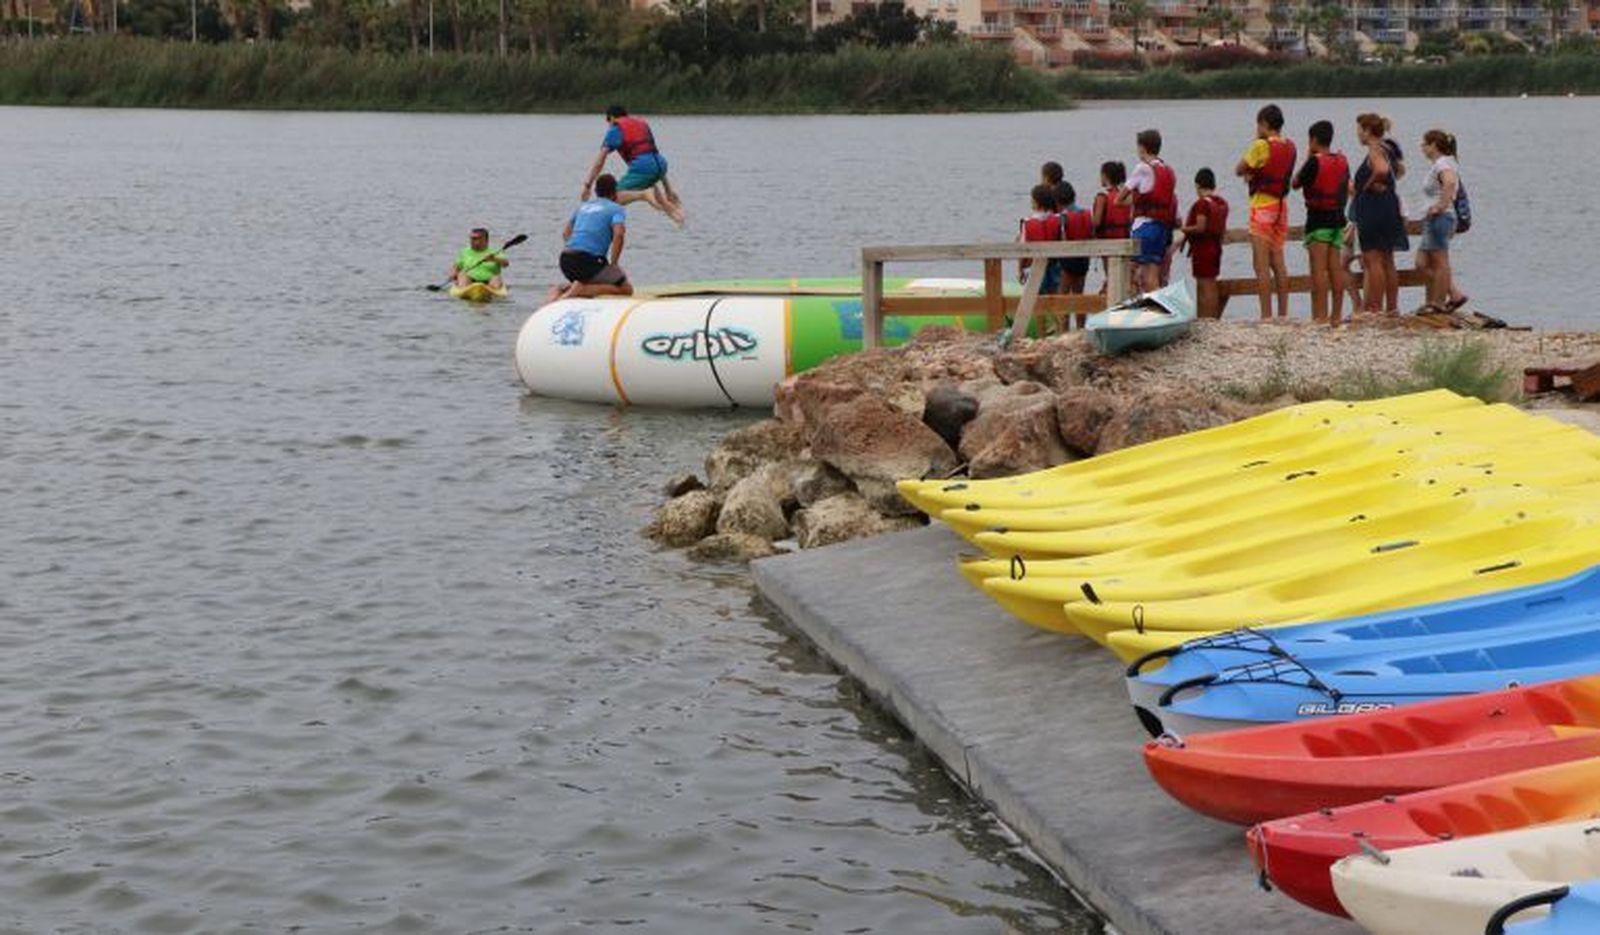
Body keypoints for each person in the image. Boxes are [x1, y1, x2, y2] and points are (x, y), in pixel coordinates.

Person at [1235, 103, 1297, 320]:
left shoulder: (1260, 146)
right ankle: (1283, 314)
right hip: (1281, 207)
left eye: (1257, 124)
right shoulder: (1290, 146)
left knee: (1260, 265)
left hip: (1262, 206)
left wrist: (1255, 143)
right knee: (1278, 262)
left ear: (1263, 124)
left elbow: (1239, 169)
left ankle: (1266, 316)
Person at [580, 104, 685, 225]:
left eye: (608, 121)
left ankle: (642, 195)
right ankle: (681, 218)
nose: (609, 125)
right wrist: (669, 190)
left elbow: (599, 163)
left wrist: (587, 186)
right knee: (664, 204)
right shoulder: (642, 124)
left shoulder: (615, 130)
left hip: (644, 167)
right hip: (660, 164)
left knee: (611, 199)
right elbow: (651, 155)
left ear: (612, 118)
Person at [1292, 119, 1351, 326]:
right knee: (1335, 268)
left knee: (1318, 270)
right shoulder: (1342, 160)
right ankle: (1336, 316)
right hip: (1337, 220)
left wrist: (1308, 156)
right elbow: (1345, 187)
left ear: (1313, 140)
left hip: (1318, 222)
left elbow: (1295, 183)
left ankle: (1320, 316)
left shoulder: (1314, 161)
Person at [1351, 112, 1409, 315]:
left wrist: (1365, 186)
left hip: (1373, 208)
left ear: (1367, 131)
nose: (1358, 134)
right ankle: (1392, 307)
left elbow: (1382, 170)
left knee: (1372, 259)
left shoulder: (1375, 149)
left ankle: (1375, 307)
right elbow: (1400, 170)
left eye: (1359, 130)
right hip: (1389, 206)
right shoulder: (1389, 148)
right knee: (1388, 259)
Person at [550, 174, 633, 302]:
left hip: (566, 260)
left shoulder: (583, 207)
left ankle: (562, 290)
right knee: (626, 289)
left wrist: (578, 247)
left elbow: (566, 233)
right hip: (588, 262)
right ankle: (582, 289)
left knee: (593, 277)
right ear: (615, 192)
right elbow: (619, 234)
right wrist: (614, 263)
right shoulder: (616, 209)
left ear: (596, 192)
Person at [1120, 129, 1179, 293]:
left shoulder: (1142, 168)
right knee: (1153, 275)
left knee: (1138, 275)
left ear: (1143, 148)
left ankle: (1148, 311)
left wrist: (1136, 200)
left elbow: (1120, 199)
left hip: (1144, 227)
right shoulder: (1168, 171)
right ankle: (1157, 309)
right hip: (1162, 229)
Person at [1417, 128, 1467, 312]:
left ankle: (1437, 303)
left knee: (1440, 262)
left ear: (1434, 146)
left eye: (1425, 144)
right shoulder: (1442, 163)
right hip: (1433, 220)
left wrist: (1440, 206)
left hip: (1440, 218)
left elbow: (1450, 183)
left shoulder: (1443, 164)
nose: (1422, 147)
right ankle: (1454, 293)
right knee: (1421, 263)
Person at [1179, 168, 1229, 320]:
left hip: (1203, 249)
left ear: (1198, 185)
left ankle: (1206, 318)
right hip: (1215, 248)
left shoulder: (1202, 204)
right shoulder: (1220, 203)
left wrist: (1182, 229)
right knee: (1210, 283)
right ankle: (1209, 318)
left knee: (1204, 286)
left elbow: (1201, 227)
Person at [1092, 161, 1133, 295]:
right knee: (1122, 275)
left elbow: (1097, 222)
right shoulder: (1126, 195)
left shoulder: (1102, 196)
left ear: (1105, 176)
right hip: (1124, 240)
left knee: (1110, 274)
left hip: (1107, 241)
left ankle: (1109, 295)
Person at [1017, 184, 1063, 296]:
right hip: (1055, 267)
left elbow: (1023, 249)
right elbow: (1063, 242)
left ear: (1036, 203)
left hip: (1034, 268)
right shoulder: (1059, 219)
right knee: (1056, 299)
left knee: (1035, 301)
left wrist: (1020, 270)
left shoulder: (1027, 223)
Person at [1055, 181, 1095, 296]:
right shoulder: (1087, 213)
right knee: (1079, 294)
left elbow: (1063, 238)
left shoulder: (1063, 217)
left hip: (1067, 261)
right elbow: (1092, 234)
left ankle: (1064, 315)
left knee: (1063, 294)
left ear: (1057, 201)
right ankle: (1081, 314)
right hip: (1083, 260)